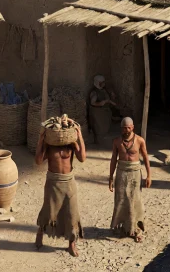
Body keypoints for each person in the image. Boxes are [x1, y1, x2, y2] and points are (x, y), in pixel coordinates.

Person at [34, 117, 86, 257]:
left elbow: (82, 158)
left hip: (68, 181)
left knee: (71, 212)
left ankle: (71, 244)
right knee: (48, 209)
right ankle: (40, 233)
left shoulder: (71, 144)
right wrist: (41, 139)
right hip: (53, 182)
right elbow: (38, 161)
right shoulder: (49, 145)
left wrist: (79, 136)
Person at [108, 117, 150, 242]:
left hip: (135, 173)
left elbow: (146, 157)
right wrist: (111, 177)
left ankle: (135, 229)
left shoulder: (139, 140)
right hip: (121, 172)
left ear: (132, 127)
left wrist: (149, 175)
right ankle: (124, 228)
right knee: (121, 199)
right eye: (124, 128)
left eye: (128, 127)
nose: (126, 130)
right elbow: (113, 159)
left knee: (134, 200)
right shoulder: (117, 141)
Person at [88, 75, 118, 142]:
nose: (103, 84)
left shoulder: (103, 90)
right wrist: (101, 103)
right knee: (99, 127)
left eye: (104, 82)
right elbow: (92, 102)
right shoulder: (94, 92)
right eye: (102, 82)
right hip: (97, 112)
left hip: (105, 111)